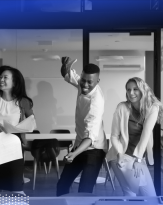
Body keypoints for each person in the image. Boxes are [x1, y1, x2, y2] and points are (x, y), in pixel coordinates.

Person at [105, 77, 163, 196]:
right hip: (119, 157)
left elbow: (146, 134)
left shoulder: (152, 108)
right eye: (128, 90)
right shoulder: (121, 107)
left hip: (136, 158)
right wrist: (120, 154)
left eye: (135, 89)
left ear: (142, 90)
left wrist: (138, 159)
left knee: (149, 197)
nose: (131, 93)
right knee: (131, 194)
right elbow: (114, 136)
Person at [56, 57, 107, 196]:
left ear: (98, 82)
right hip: (80, 144)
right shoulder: (83, 82)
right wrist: (65, 65)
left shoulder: (95, 104)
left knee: (84, 192)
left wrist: (73, 153)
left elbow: (90, 137)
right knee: (62, 185)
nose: (84, 84)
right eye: (83, 80)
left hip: (94, 149)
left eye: (89, 82)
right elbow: (66, 75)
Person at [0, 66, 34, 195]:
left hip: (15, 146)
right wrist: (1, 127)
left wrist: (23, 127)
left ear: (14, 82)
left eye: (5, 77)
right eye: (0, 77)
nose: (1, 79)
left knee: (16, 187)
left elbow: (31, 120)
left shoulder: (23, 101)